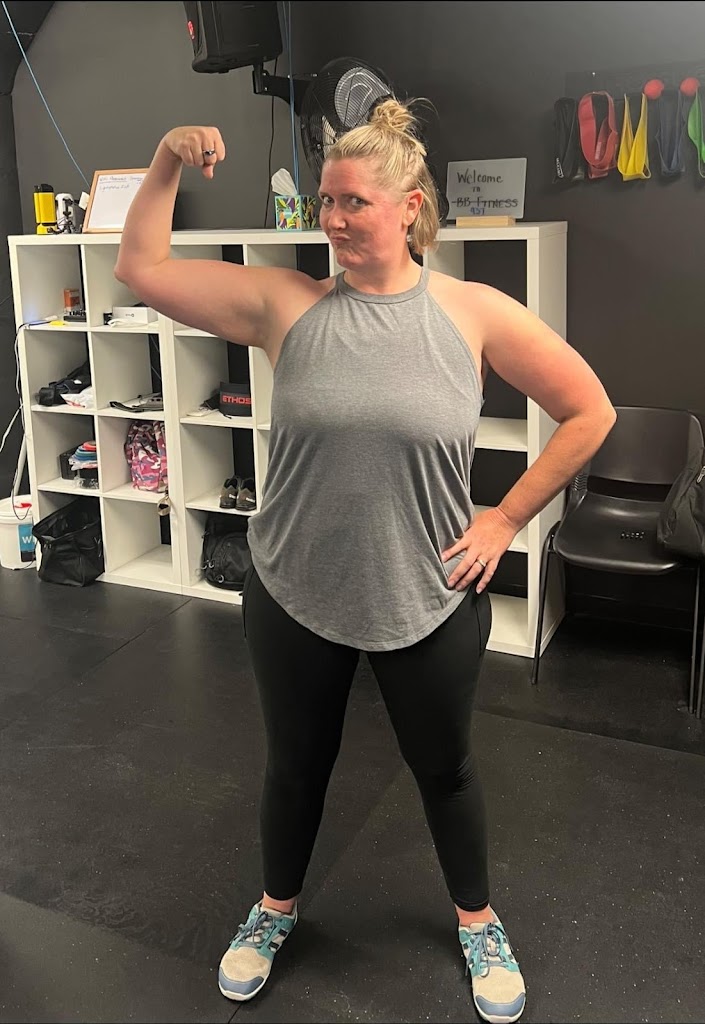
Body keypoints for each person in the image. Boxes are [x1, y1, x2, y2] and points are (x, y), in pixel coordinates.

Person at [115, 100, 616, 1024]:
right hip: (293, 586)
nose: (333, 220)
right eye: (325, 202)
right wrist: (164, 158)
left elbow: (590, 411)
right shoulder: (286, 303)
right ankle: (274, 910)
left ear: (409, 206)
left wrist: (505, 518)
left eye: (353, 202)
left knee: (445, 770)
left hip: (428, 590)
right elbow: (138, 268)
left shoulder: (472, 313)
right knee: (294, 767)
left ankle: (476, 922)